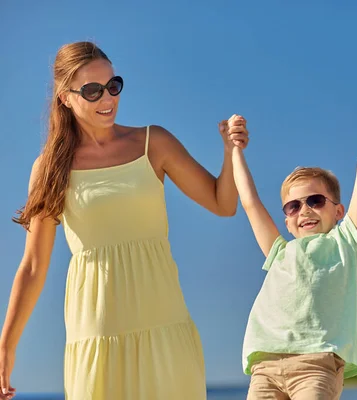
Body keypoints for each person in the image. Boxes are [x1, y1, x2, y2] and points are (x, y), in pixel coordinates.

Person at [0, 41, 248, 400]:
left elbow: (222, 204)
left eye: (113, 86)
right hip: (97, 334)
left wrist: (230, 153)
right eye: (92, 90)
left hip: (165, 326)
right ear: (65, 97)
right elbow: (34, 266)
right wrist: (6, 348)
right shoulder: (50, 168)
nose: (107, 99)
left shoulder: (154, 142)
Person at [229, 70, 357, 400]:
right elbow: (250, 202)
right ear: (287, 219)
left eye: (315, 201)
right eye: (293, 206)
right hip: (265, 367)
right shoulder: (279, 252)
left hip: (316, 366)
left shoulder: (346, 243)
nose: (304, 210)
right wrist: (235, 149)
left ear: (338, 211)